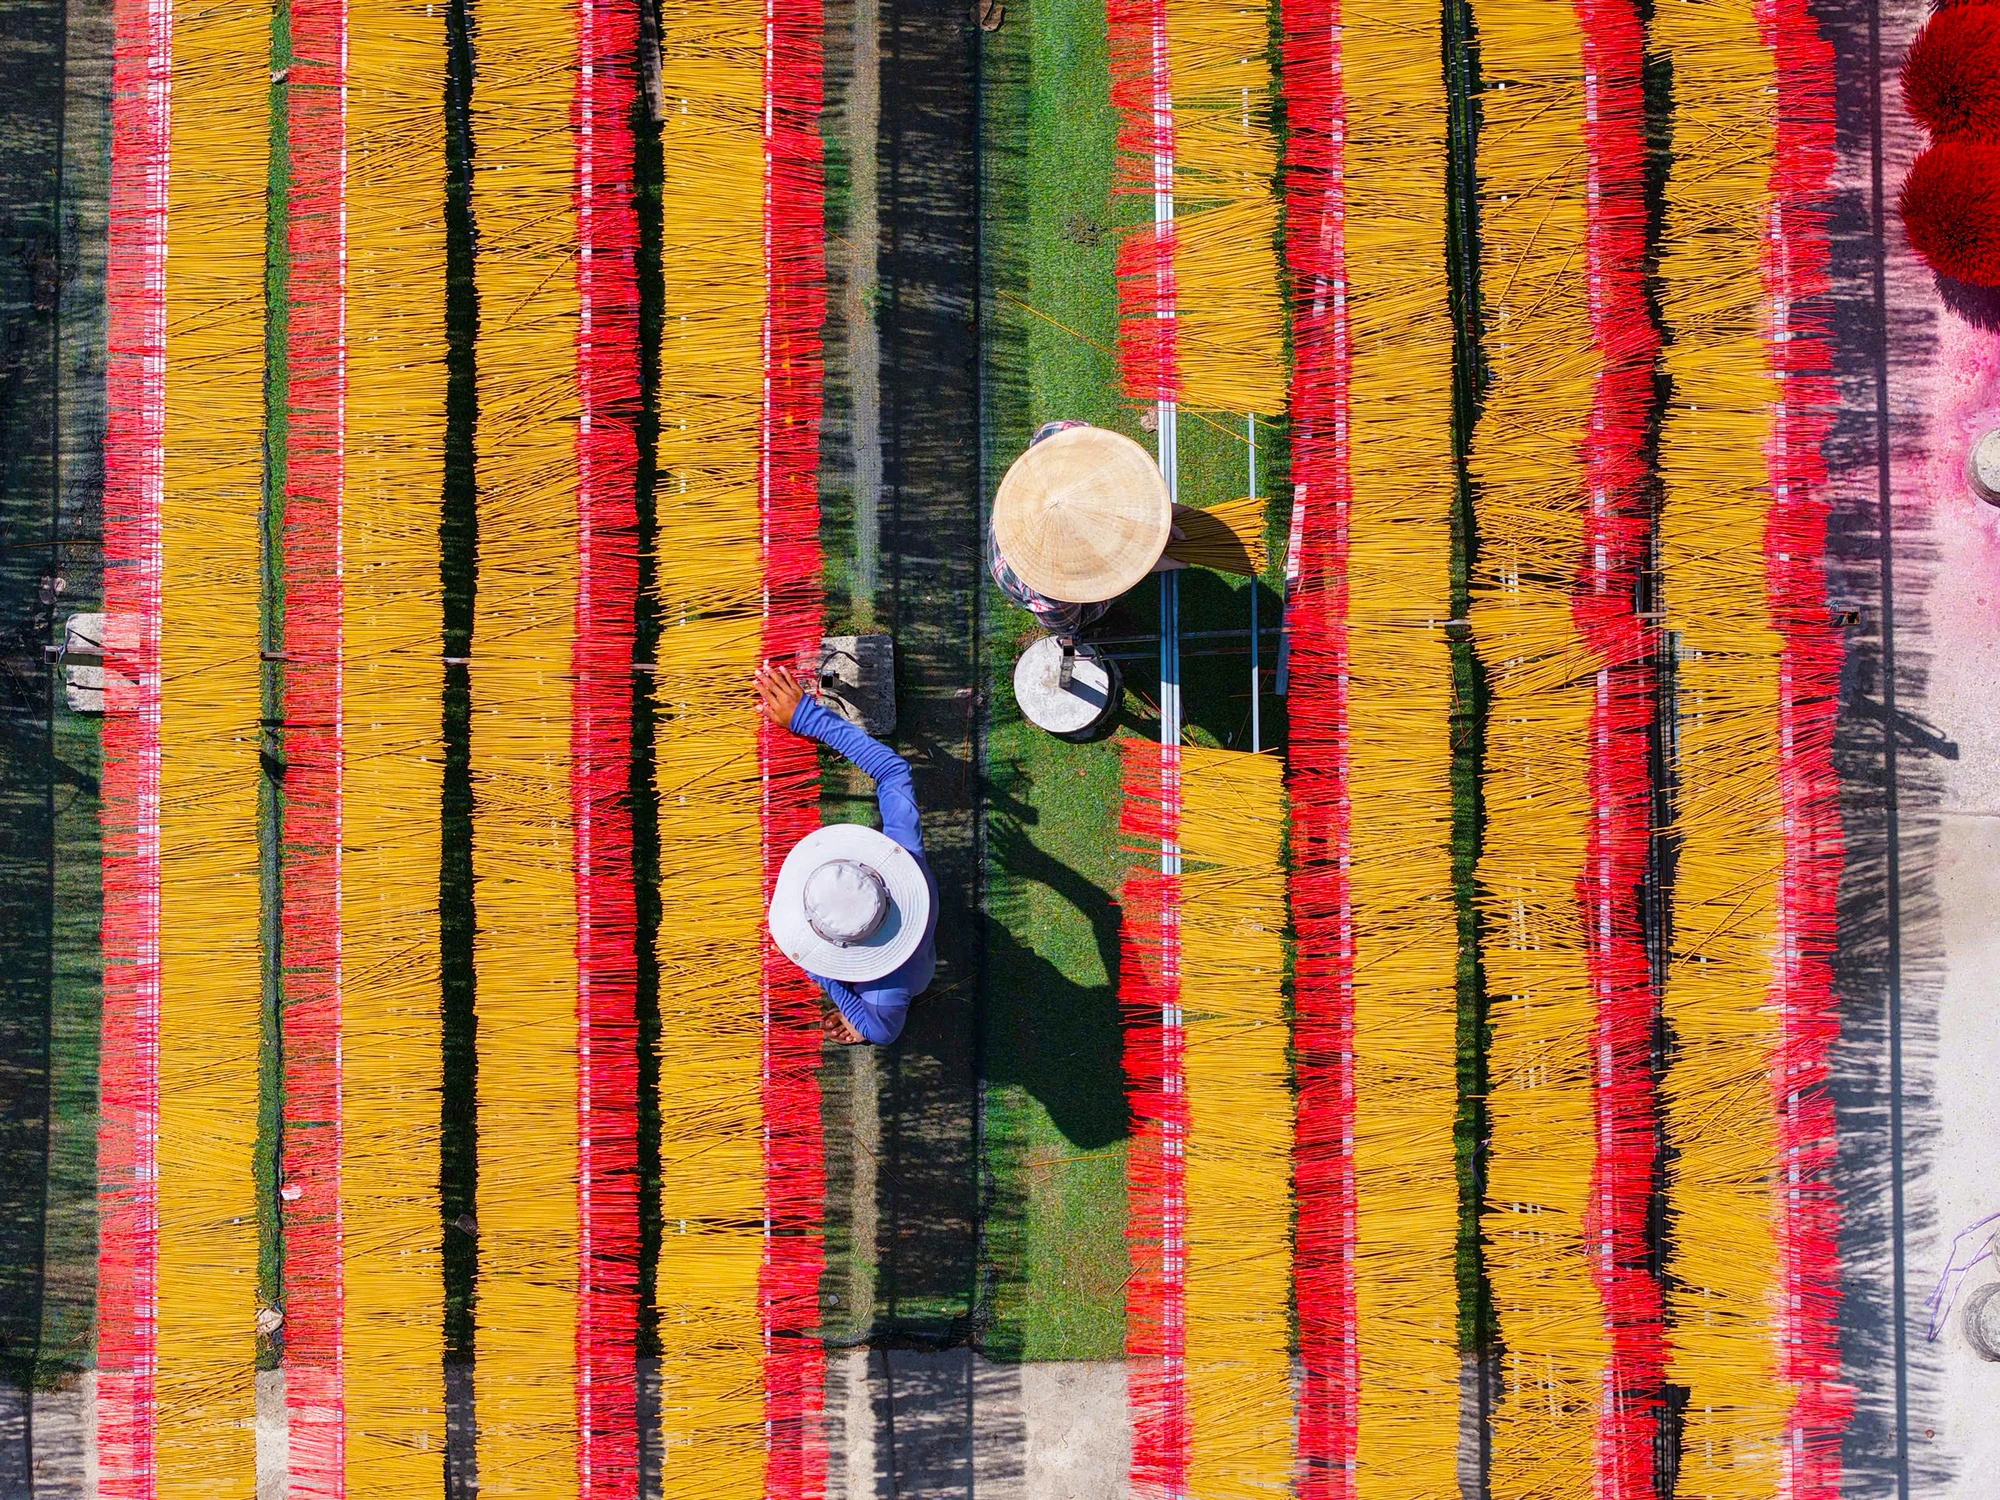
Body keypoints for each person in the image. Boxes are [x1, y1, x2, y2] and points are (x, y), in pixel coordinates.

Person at [756, 662, 937, 1046]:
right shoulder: (910, 860)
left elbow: (881, 1033)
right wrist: (807, 717)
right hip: (916, 961)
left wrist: (830, 981)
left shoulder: (883, 995)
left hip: (912, 975)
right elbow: (893, 772)